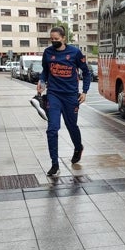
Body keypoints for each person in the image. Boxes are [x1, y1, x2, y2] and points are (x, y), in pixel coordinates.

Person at [37, 26, 91, 176]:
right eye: (51, 39)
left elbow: (86, 73)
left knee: (71, 125)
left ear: (63, 38)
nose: (54, 41)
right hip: (54, 95)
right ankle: (54, 164)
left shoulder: (74, 53)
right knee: (52, 129)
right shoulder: (48, 53)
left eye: (56, 39)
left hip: (70, 96)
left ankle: (78, 147)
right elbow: (45, 71)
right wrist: (41, 81)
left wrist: (85, 92)